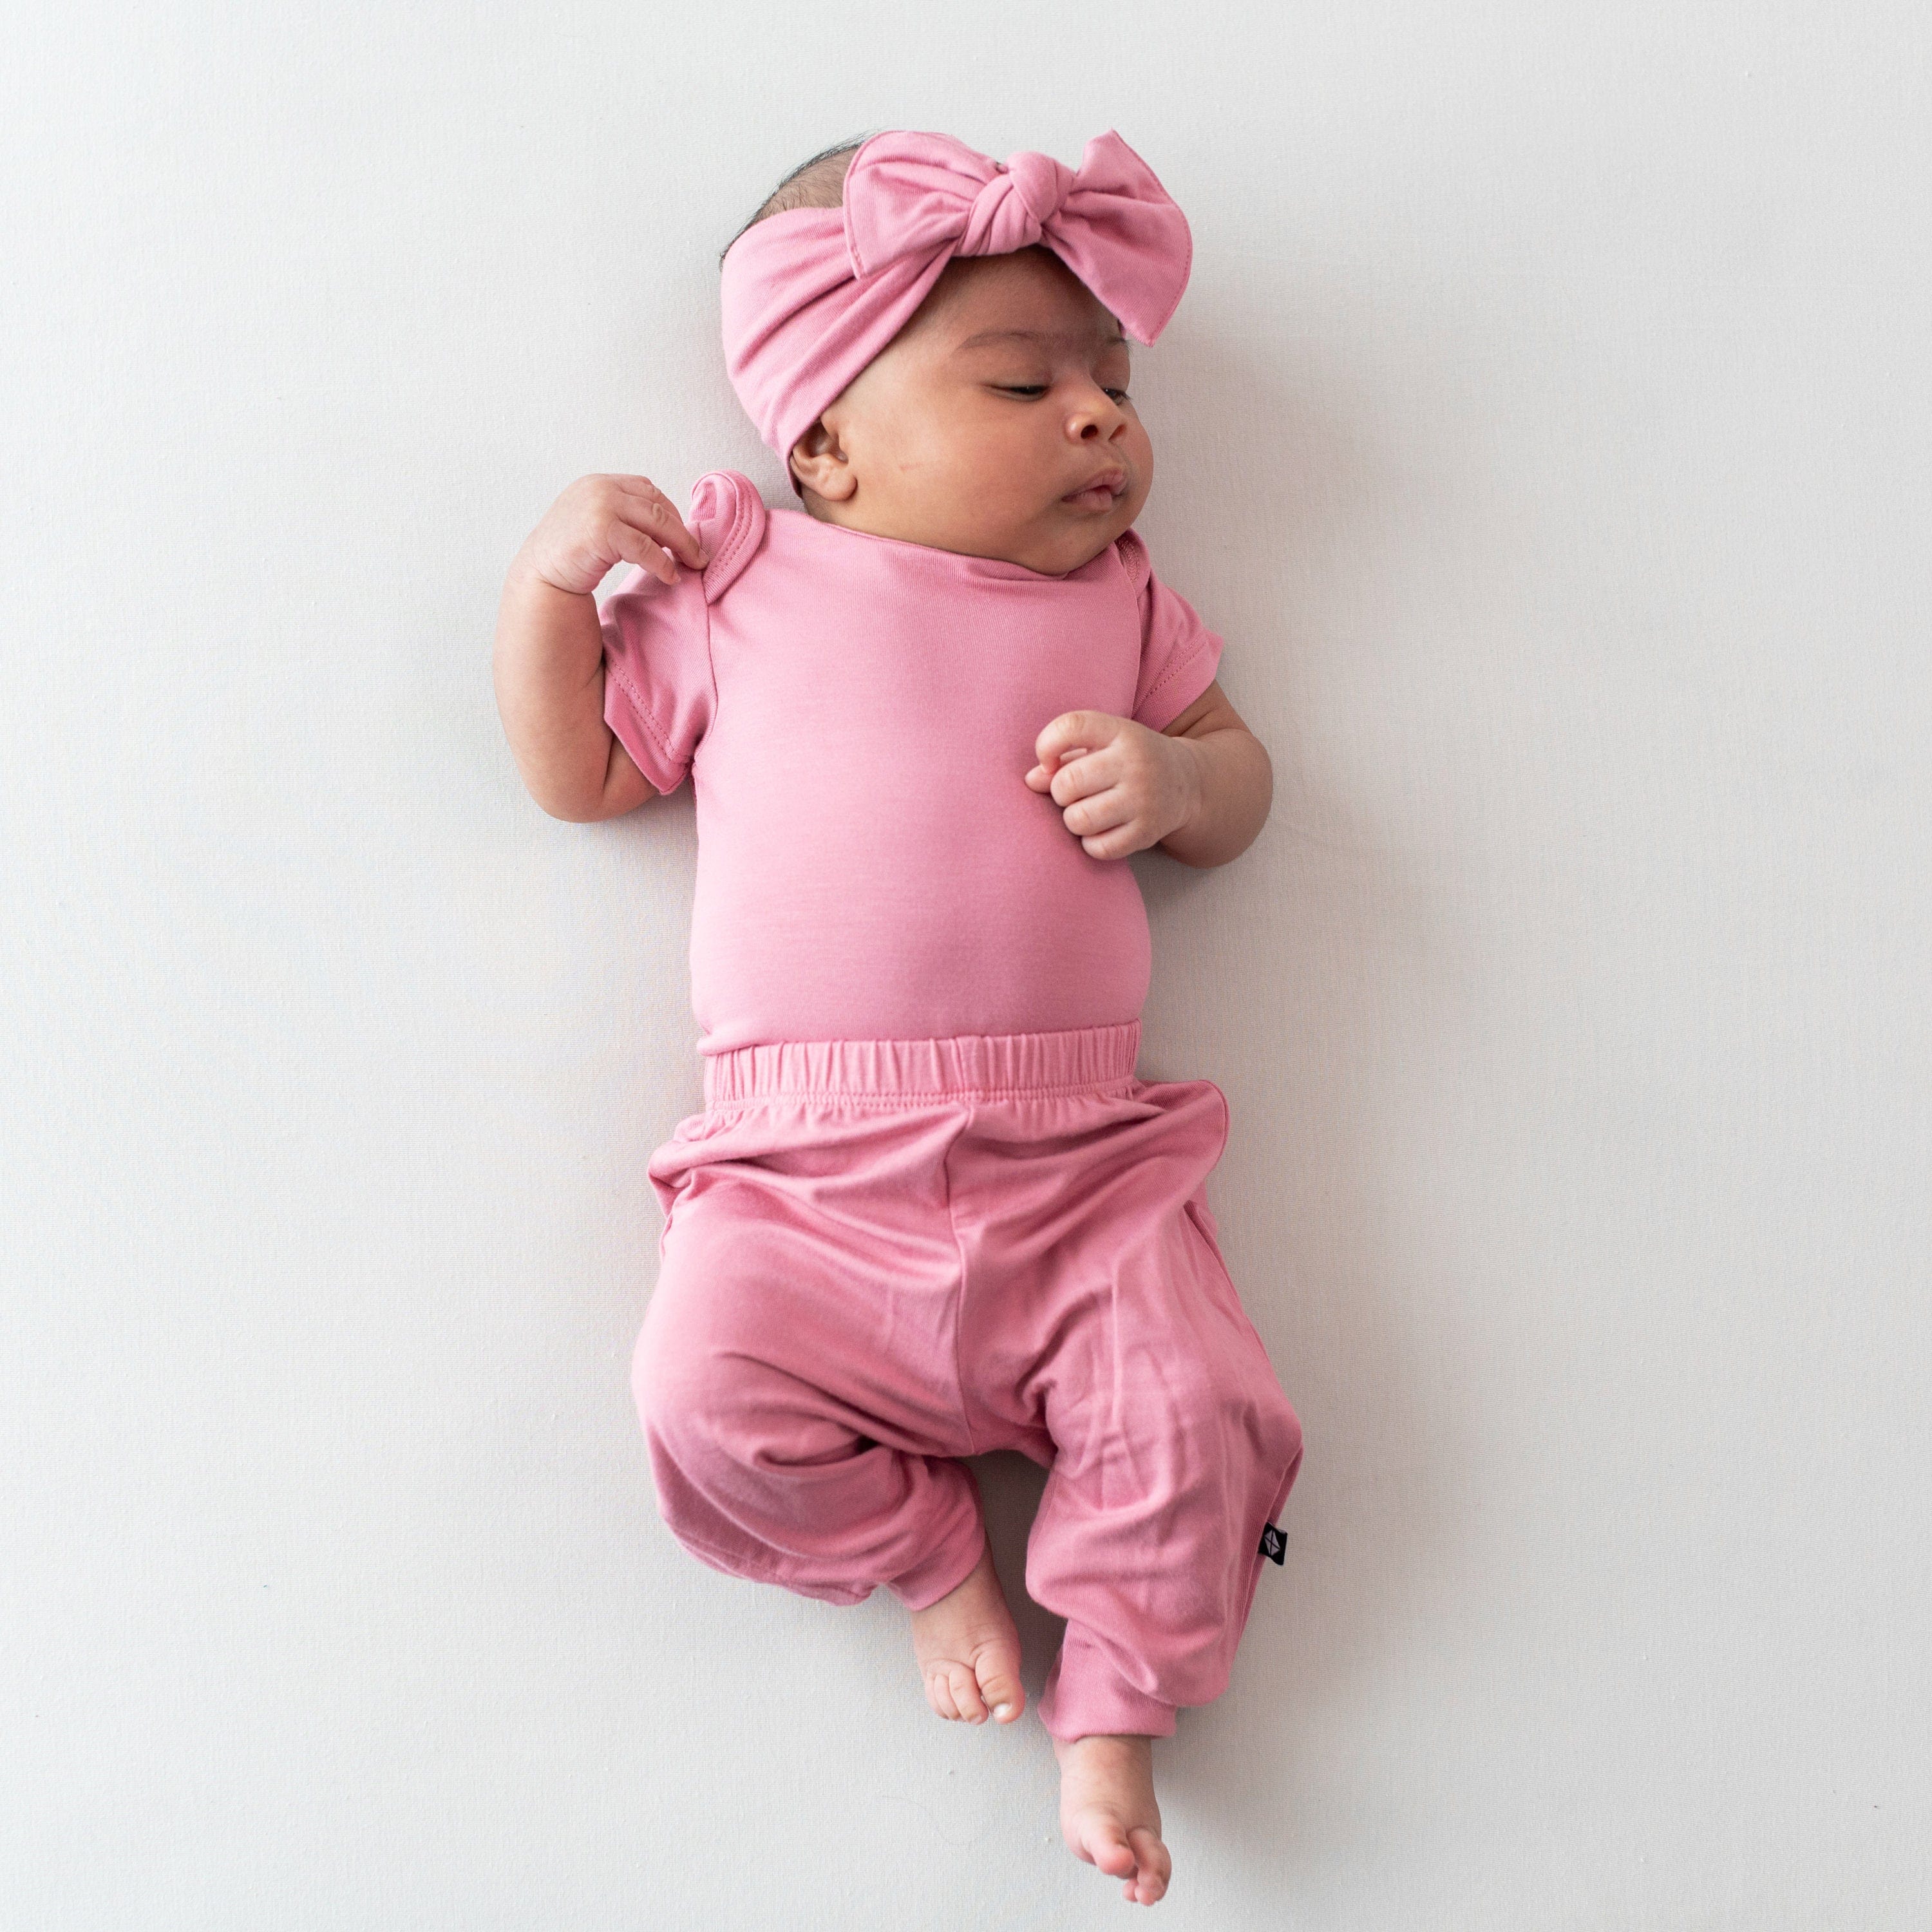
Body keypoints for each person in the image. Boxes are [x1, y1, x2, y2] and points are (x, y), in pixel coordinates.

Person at [493, 128, 1303, 1909]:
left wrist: (1179, 782)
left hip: (1086, 1165)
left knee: (1200, 1415)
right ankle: (931, 1550)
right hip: (799, 1170)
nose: (1099, 417)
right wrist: (552, 591)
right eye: (1024, 381)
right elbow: (587, 779)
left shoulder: (1125, 605)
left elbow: (1249, 789)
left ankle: (1119, 1709)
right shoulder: (738, 583)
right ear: (824, 446)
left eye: (1109, 380)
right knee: (700, 1400)